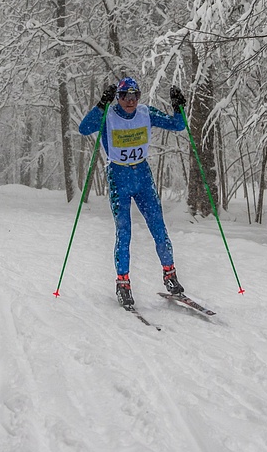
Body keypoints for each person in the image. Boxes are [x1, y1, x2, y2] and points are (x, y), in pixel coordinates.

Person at [78, 76, 188, 307]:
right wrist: (101, 104)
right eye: (125, 96)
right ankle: (123, 284)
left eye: (134, 95)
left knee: (158, 227)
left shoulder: (145, 113)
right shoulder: (108, 115)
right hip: (119, 177)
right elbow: (84, 128)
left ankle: (170, 276)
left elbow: (178, 125)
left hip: (142, 176)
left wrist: (178, 107)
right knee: (124, 231)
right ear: (117, 97)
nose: (130, 101)